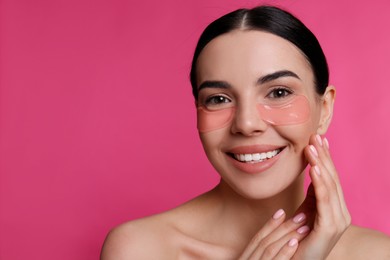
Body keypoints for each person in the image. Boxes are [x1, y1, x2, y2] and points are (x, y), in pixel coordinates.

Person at [100, 5, 390, 259]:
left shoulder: (378, 254)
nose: (246, 123)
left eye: (278, 92)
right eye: (218, 99)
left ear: (324, 109)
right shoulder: (141, 250)